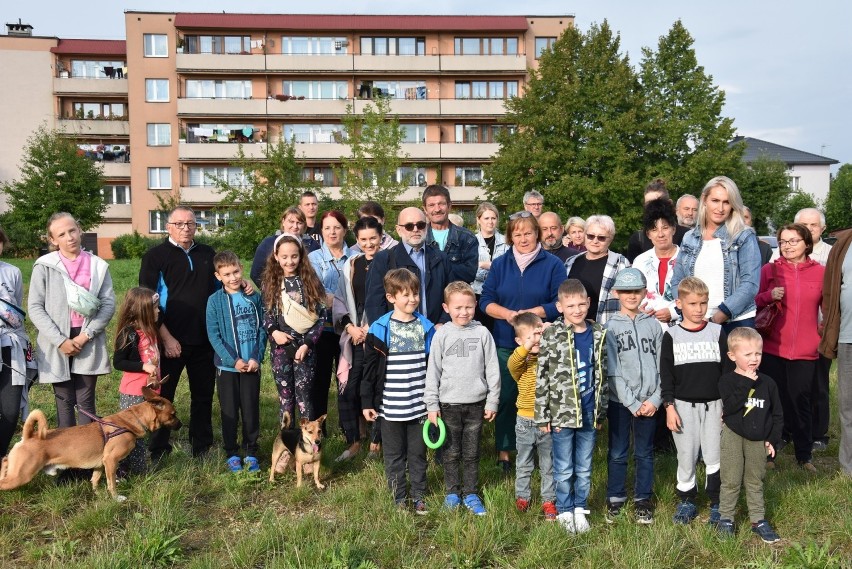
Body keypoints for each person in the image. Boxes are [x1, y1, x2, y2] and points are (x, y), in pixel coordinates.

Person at [480, 211, 566, 474]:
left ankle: (542, 450)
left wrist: (533, 313)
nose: (523, 238)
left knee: (540, 397)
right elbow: (485, 301)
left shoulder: (552, 264)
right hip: (507, 342)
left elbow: (558, 303)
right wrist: (508, 315)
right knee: (507, 397)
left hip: (541, 345)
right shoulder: (500, 264)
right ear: (509, 237)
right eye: (517, 234)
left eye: (528, 232)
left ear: (537, 233)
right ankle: (505, 452)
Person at [140, 206, 219, 459]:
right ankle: (158, 448)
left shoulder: (208, 254)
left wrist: (245, 286)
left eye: (191, 224)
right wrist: (166, 337)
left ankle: (202, 446)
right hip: (170, 341)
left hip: (205, 339)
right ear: (168, 226)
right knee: (164, 398)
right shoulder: (155, 257)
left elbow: (222, 286)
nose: (186, 228)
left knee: (203, 396)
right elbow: (147, 303)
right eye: (180, 224)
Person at [29, 213, 116, 430]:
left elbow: (108, 304)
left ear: (79, 230)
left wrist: (86, 335)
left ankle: (86, 459)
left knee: (86, 401)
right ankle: (66, 460)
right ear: (52, 240)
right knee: (64, 401)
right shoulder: (44, 266)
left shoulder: (97, 265)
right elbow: (35, 307)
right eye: (62, 234)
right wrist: (60, 341)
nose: (69, 237)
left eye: (72, 230)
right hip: (56, 339)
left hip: (87, 337)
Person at [536, 279, 608, 534]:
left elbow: (603, 374)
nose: (577, 310)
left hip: (589, 411)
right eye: (570, 305)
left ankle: (580, 509)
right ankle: (565, 510)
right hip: (561, 414)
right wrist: (542, 415)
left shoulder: (598, 333)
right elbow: (542, 376)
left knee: (585, 466)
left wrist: (601, 411)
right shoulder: (552, 335)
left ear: (589, 303)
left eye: (581, 304)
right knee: (564, 467)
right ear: (560, 306)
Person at [362, 268, 436, 514]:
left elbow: (434, 369)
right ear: (391, 297)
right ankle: (398, 499)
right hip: (390, 408)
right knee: (393, 457)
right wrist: (367, 401)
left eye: (415, 293)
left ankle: (419, 496)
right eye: (405, 295)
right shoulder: (379, 328)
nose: (412, 299)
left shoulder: (426, 328)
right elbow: (369, 370)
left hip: (418, 407)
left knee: (417, 455)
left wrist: (433, 403)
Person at [661, 277, 732, 526]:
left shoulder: (717, 332)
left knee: (714, 455)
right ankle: (687, 500)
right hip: (682, 406)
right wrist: (669, 407)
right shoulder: (671, 336)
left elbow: (727, 372)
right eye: (692, 303)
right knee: (686, 454)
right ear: (679, 303)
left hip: (714, 405)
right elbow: (666, 375)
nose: (699, 309)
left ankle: (716, 501)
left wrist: (727, 405)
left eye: (703, 303)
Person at [425, 282, 500, 515]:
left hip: (476, 405)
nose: (463, 312)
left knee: (471, 452)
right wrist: (432, 405)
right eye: (458, 307)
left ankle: (471, 493)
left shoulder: (482, 333)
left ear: (475, 306)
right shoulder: (442, 334)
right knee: (451, 453)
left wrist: (492, 400)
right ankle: (452, 493)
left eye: (468, 307)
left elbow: (493, 369)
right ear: (446, 307)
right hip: (448, 405)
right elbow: (433, 371)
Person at [756, 223, 823, 472]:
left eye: (793, 241)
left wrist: (825, 335)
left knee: (801, 402)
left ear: (807, 243)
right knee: (772, 403)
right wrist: (768, 295)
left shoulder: (821, 272)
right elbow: (754, 301)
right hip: (773, 347)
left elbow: (828, 310)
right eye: (783, 241)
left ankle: (804, 457)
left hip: (806, 350)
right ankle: (770, 455)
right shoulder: (769, 269)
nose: (787, 246)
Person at [604, 268, 663, 524]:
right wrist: (631, 402)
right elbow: (612, 369)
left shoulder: (653, 325)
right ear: (616, 293)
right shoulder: (609, 327)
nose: (631, 296)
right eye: (626, 291)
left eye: (636, 290)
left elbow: (664, 366)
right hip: (621, 402)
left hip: (650, 401)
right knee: (618, 451)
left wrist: (656, 399)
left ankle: (643, 499)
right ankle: (615, 497)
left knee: (644, 452)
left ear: (644, 292)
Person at [716, 327, 783, 543]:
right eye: (748, 354)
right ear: (732, 356)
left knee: (755, 480)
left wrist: (772, 440)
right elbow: (732, 407)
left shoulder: (768, 383)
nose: (754, 359)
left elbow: (777, 415)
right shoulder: (727, 381)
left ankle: (758, 520)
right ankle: (726, 518)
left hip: (758, 439)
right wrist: (746, 381)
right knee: (731, 479)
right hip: (733, 436)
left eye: (758, 353)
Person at [671, 176, 762, 333]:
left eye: (726, 202)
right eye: (715, 200)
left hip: (736, 321)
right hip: (696, 322)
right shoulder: (689, 238)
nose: (720, 208)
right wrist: (686, 310)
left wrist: (718, 317)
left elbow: (750, 284)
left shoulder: (744, 236)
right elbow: (677, 282)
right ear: (704, 199)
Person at [206, 251, 266, 473]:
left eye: (236, 272)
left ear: (241, 268)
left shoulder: (254, 297)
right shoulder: (214, 301)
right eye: (227, 274)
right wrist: (233, 360)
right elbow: (214, 336)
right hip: (227, 368)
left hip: (251, 366)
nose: (232, 277)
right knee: (229, 411)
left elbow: (262, 328)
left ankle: (251, 451)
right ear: (218, 276)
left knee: (251, 410)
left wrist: (256, 358)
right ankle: (231, 452)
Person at [333, 216, 384, 461]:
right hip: (354, 337)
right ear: (357, 240)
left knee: (377, 387)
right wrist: (351, 328)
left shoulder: (389, 262)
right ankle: (353, 441)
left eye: (373, 238)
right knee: (349, 389)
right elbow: (341, 299)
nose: (368, 243)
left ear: (381, 237)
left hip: (381, 336)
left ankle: (377, 442)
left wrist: (371, 327)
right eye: (363, 239)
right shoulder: (351, 264)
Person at [262, 234, 325, 423]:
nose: (290, 261)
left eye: (294, 256)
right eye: (284, 257)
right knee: (285, 397)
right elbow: (266, 314)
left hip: (306, 349)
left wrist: (307, 344)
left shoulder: (311, 282)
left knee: (304, 396)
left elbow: (321, 317)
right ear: (276, 256)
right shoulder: (270, 283)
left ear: (301, 256)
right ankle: (286, 441)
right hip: (281, 349)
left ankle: (307, 442)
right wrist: (275, 333)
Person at [508, 312, 557, 521]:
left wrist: (549, 331)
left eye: (538, 335)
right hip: (525, 421)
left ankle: (549, 499)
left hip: (547, 421)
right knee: (524, 462)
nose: (536, 340)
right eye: (530, 337)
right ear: (519, 341)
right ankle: (523, 497)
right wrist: (528, 345)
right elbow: (513, 362)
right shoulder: (521, 363)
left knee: (548, 464)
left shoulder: (550, 357)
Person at [365, 207, 452, 326]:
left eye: (420, 225)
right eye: (409, 226)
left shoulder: (441, 258)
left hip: (434, 332)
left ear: (426, 227)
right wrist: (381, 334)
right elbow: (374, 303)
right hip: (396, 335)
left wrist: (443, 322)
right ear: (399, 230)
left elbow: (451, 295)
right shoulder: (384, 259)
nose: (415, 229)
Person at [792, 208, 832, 452]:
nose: (808, 229)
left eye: (813, 225)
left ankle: (818, 433)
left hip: (821, 330)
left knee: (818, 384)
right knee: (791, 383)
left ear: (822, 229)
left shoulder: (833, 254)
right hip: (790, 331)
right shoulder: (782, 252)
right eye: (803, 224)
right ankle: (789, 429)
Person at [309, 211, 351, 431]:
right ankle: (319, 429)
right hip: (322, 329)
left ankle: (349, 429)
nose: (332, 232)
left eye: (337, 227)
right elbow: (316, 295)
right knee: (320, 380)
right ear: (321, 231)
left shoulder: (355, 256)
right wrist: (343, 300)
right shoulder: (313, 259)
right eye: (327, 228)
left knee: (346, 379)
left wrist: (333, 299)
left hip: (348, 329)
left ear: (345, 229)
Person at [112, 287, 162, 475]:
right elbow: (118, 362)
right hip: (134, 392)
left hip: (150, 389)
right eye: (155, 308)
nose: (158, 311)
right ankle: (124, 470)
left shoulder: (150, 329)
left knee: (142, 432)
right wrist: (143, 366)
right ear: (143, 312)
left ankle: (138, 468)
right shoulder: (129, 333)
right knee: (132, 432)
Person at [819, 226, 852, 477]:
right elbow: (830, 290)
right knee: (847, 404)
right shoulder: (844, 242)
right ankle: (848, 467)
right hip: (847, 336)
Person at [0, 228, 34, 457]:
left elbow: (17, 314)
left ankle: (1, 456)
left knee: (10, 411)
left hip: (10, 348)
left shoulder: (12, 272)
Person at [565, 215, 630, 325]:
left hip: (608, 330)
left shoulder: (620, 263)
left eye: (601, 238)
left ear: (610, 239)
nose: (595, 241)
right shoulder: (571, 262)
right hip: (574, 330)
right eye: (590, 236)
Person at [633, 198, 680, 329]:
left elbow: (696, 295)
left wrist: (673, 312)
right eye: (654, 229)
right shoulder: (640, 261)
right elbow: (633, 295)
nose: (660, 234)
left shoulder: (686, 259)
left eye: (665, 228)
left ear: (673, 229)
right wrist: (637, 311)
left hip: (681, 331)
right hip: (646, 330)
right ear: (648, 234)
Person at [422, 185, 478, 285]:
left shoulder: (467, 238)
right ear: (425, 209)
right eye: (431, 205)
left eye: (441, 204)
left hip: (456, 297)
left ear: (449, 206)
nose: (437, 209)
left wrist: (435, 266)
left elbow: (470, 273)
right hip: (427, 298)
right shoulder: (419, 237)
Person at [250, 206, 320, 286]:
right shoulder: (268, 243)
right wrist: (270, 290)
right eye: (291, 222)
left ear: (304, 225)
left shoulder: (313, 245)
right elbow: (256, 273)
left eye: (299, 223)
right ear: (283, 222)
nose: (295, 226)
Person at [625, 179, 688, 263]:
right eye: (648, 204)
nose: (653, 208)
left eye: (657, 203)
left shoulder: (687, 236)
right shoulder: (637, 239)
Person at [472, 202, 508, 331]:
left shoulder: (506, 241)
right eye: (486, 218)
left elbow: (508, 269)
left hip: (500, 295)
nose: (490, 222)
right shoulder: (471, 241)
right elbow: (470, 270)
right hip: (477, 294)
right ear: (478, 219)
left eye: (493, 218)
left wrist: (483, 265)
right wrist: (493, 268)